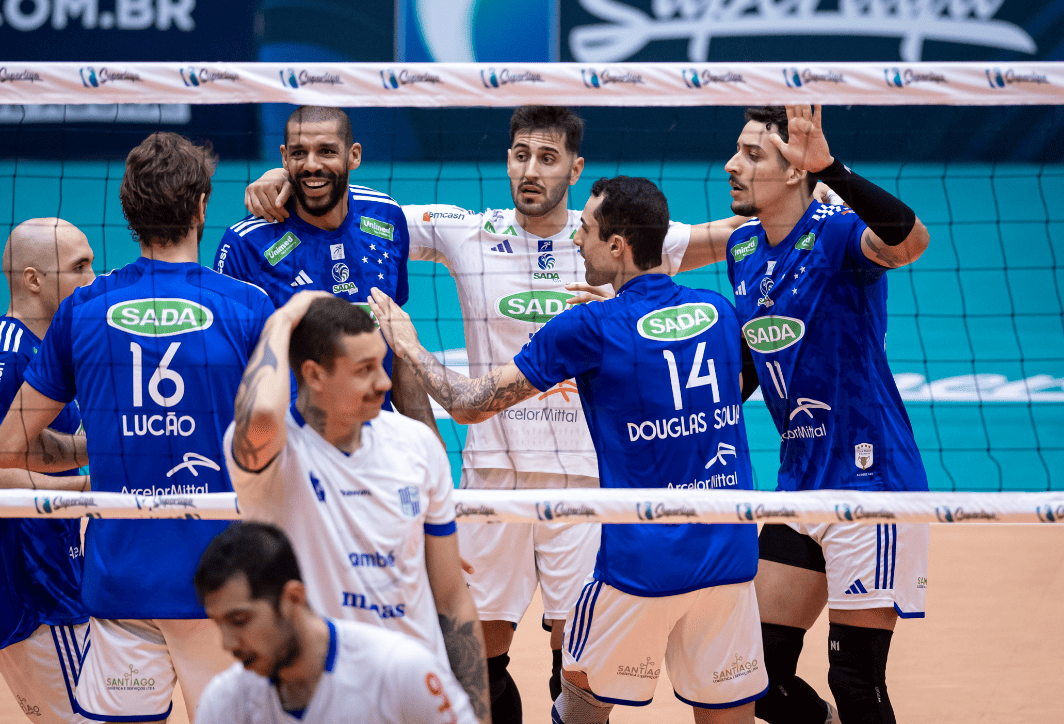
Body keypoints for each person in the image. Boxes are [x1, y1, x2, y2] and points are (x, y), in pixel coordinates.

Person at [242, 106, 766, 722]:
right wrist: (285, 182)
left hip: (587, 484)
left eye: (547, 158)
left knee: (575, 654)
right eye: (521, 155)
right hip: (495, 478)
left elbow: (727, 235)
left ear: (575, 167)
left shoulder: (606, 230)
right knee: (479, 646)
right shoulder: (469, 229)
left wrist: (808, 203)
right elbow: (348, 209)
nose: (531, 171)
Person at [370, 176, 767, 723]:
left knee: (579, 701)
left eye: (585, 230)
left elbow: (467, 404)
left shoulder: (588, 325)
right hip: (730, 554)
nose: (576, 240)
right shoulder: (719, 312)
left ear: (617, 247)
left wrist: (409, 346)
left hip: (641, 567)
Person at [0, 132, 274, 723]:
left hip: (122, 587)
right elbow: (285, 446)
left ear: (129, 211)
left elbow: (10, 446)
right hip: (225, 590)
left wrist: (103, 449)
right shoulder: (249, 308)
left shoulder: (84, 308)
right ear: (201, 205)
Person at [710, 106, 930, 724]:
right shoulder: (744, 247)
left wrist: (832, 168)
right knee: (755, 674)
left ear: (794, 173)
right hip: (800, 483)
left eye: (754, 155)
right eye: (738, 149)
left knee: (855, 679)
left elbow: (912, 241)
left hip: (870, 482)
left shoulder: (836, 232)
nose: (733, 164)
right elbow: (756, 355)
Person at [221, 291, 491, 724]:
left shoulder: (417, 445)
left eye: (380, 365)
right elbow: (262, 417)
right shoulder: (276, 456)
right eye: (364, 370)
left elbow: (452, 597)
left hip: (419, 692)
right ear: (314, 375)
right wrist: (286, 317)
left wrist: (477, 714)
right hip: (325, 697)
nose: (383, 382)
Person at [212, 105, 438, 438]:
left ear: (354, 155)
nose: (312, 164)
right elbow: (228, 372)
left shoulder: (386, 216)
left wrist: (431, 446)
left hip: (376, 442)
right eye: (300, 153)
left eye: (327, 151)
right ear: (284, 158)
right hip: (294, 448)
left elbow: (397, 345)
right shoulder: (245, 244)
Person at [0, 217, 95, 723]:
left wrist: (98, 448)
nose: (92, 279)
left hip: (49, 578)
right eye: (80, 267)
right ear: (34, 279)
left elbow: (29, 448)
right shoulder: (3, 357)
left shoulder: (46, 351)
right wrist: (91, 491)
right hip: (33, 593)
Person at [192, 521, 479, 724]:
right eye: (219, 623)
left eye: (240, 620)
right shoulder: (223, 704)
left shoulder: (401, 672)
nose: (227, 643)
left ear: (293, 598)